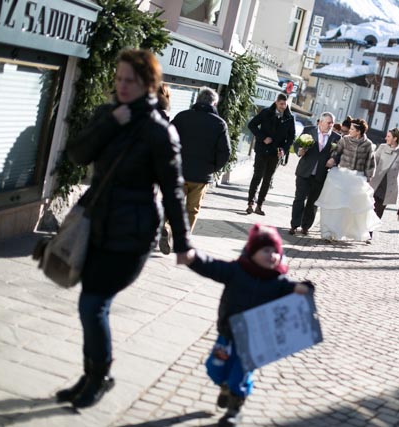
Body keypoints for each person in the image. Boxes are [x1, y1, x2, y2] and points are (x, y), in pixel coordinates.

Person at [61, 49, 191, 408]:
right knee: (90, 305)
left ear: (148, 84)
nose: (121, 85)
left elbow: (174, 189)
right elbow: (77, 155)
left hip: (131, 234)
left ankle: (99, 377)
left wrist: (182, 241)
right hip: (96, 225)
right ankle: (91, 376)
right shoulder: (108, 114)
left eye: (129, 80)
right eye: (118, 79)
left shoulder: (159, 131)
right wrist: (110, 122)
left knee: (93, 304)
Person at [181, 224, 311, 427]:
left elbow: (294, 289)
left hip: (254, 339)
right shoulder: (237, 270)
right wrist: (193, 259)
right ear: (252, 252)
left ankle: (235, 407)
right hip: (227, 334)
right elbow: (213, 266)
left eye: (276, 251)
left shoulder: (278, 281)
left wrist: (304, 288)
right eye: (266, 250)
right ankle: (224, 387)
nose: (272, 255)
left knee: (240, 374)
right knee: (216, 369)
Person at [169, 87, 231, 234]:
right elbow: (225, 152)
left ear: (197, 100)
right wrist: (212, 168)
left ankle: (166, 227)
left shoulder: (182, 117)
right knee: (192, 210)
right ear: (214, 104)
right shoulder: (220, 124)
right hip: (201, 176)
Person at [315, 118, 379, 241]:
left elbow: (370, 163)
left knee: (350, 208)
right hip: (341, 176)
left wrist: (368, 177)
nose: (349, 131)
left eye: (352, 129)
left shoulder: (368, 144)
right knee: (336, 205)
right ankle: (328, 231)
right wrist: (332, 159)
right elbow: (336, 153)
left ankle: (343, 231)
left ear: (359, 131)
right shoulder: (344, 140)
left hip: (357, 179)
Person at [289, 112, 340, 236]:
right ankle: (294, 225)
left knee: (313, 203)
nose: (330, 125)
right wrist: (299, 151)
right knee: (299, 199)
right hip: (304, 172)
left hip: (320, 175)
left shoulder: (336, 137)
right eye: (328, 122)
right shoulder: (308, 130)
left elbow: (339, 154)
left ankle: (306, 226)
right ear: (321, 122)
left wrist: (334, 160)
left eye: (332, 123)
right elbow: (296, 145)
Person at [246, 93, 295, 216]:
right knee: (257, 176)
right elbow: (251, 125)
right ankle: (250, 203)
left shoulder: (289, 118)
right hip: (262, 150)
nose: (283, 106)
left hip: (276, 153)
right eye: (281, 104)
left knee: (267, 180)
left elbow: (291, 137)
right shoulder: (266, 112)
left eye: (285, 104)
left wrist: (284, 149)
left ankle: (259, 205)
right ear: (276, 102)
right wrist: (262, 138)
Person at [368, 128, 399, 239]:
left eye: (389, 136)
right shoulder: (382, 147)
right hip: (376, 181)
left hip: (389, 185)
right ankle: (365, 229)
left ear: (395, 138)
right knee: (370, 206)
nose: (386, 138)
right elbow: (373, 162)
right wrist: (367, 175)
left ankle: (370, 231)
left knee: (379, 209)